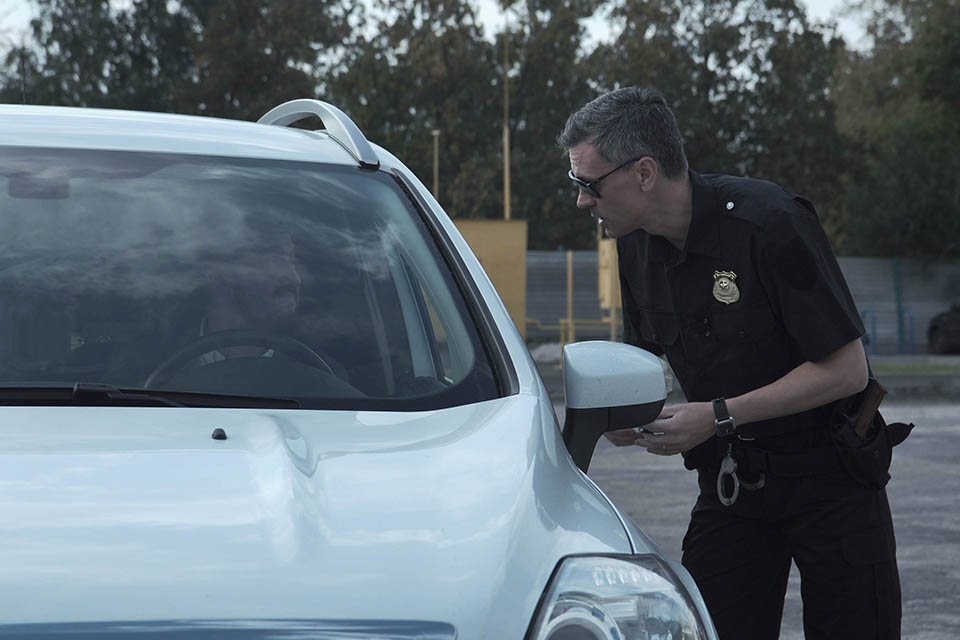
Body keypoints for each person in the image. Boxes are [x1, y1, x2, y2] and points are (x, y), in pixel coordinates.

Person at [559, 87, 910, 639]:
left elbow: (847, 370)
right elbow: (643, 363)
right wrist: (627, 416)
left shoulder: (769, 222)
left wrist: (718, 415)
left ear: (645, 173)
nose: (582, 201)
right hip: (733, 485)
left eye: (590, 184)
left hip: (832, 478)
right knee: (707, 627)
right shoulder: (634, 243)